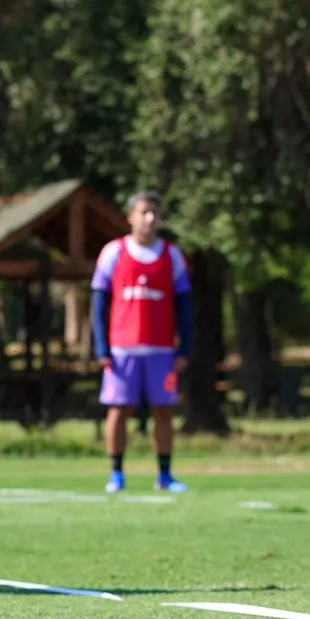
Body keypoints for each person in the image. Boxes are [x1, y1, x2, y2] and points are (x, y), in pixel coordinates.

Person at [92, 190, 192, 495]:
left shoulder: (171, 255)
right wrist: (101, 347)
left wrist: (184, 347)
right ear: (130, 217)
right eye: (144, 212)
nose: (150, 219)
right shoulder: (114, 252)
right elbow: (98, 303)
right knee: (119, 409)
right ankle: (117, 474)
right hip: (122, 349)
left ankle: (165, 475)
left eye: (155, 214)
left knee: (164, 410)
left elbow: (184, 305)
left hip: (161, 349)